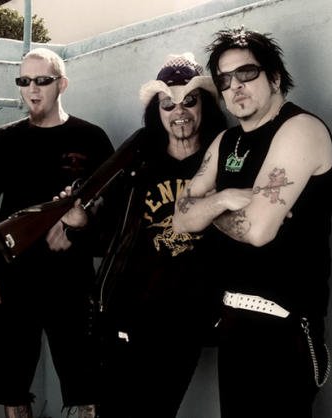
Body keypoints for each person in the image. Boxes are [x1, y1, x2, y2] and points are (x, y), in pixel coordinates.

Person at [172, 27, 332, 417]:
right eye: (224, 80)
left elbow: (257, 231)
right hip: (233, 319)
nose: (235, 86)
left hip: (283, 326)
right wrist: (224, 199)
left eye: (246, 73)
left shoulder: (300, 129)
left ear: (275, 77)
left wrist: (205, 210)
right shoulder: (225, 142)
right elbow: (179, 220)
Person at [0, 47, 114, 418]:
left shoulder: (91, 138)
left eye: (42, 81)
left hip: (72, 281)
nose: (32, 89)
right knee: (10, 385)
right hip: (13, 279)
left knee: (87, 383)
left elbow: (113, 210)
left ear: (62, 84)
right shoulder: (4, 139)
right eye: (24, 81)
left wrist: (80, 226)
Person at [89, 52, 227, 418]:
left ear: (205, 105)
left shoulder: (222, 163)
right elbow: (107, 233)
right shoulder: (138, 166)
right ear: (158, 112)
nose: (179, 112)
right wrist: (76, 222)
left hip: (186, 318)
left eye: (189, 101)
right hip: (130, 312)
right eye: (168, 104)